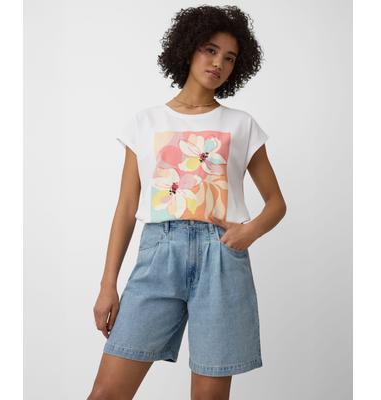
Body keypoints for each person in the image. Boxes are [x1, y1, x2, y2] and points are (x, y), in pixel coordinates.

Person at [87, 5, 287, 400]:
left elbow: (277, 203)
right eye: (210, 50)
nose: (218, 64)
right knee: (107, 393)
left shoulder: (241, 124)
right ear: (188, 49)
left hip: (221, 259)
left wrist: (248, 232)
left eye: (229, 58)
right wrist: (108, 284)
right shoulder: (145, 123)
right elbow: (126, 207)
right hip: (159, 255)